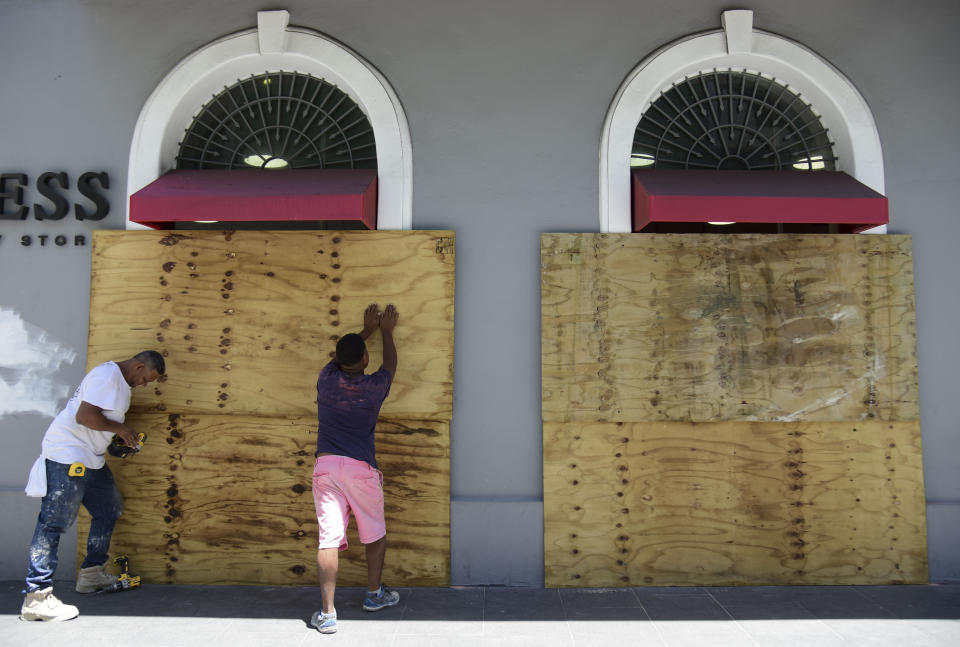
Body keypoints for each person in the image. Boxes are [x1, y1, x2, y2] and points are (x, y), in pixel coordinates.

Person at [20, 350, 165, 622]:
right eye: (146, 378)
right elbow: (84, 417)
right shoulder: (107, 375)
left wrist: (117, 444)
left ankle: (90, 575)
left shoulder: (121, 384)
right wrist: (121, 430)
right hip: (68, 454)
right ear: (139, 365)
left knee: (109, 509)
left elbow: (98, 424)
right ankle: (36, 597)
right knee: (54, 522)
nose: (145, 384)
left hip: (91, 458)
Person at [310, 303, 400, 634]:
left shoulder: (327, 379)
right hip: (361, 469)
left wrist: (366, 331)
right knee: (374, 532)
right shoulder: (373, 387)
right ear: (365, 360)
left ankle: (328, 613)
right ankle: (374, 595)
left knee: (328, 539)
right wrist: (386, 333)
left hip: (327, 467)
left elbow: (340, 357)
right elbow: (389, 364)